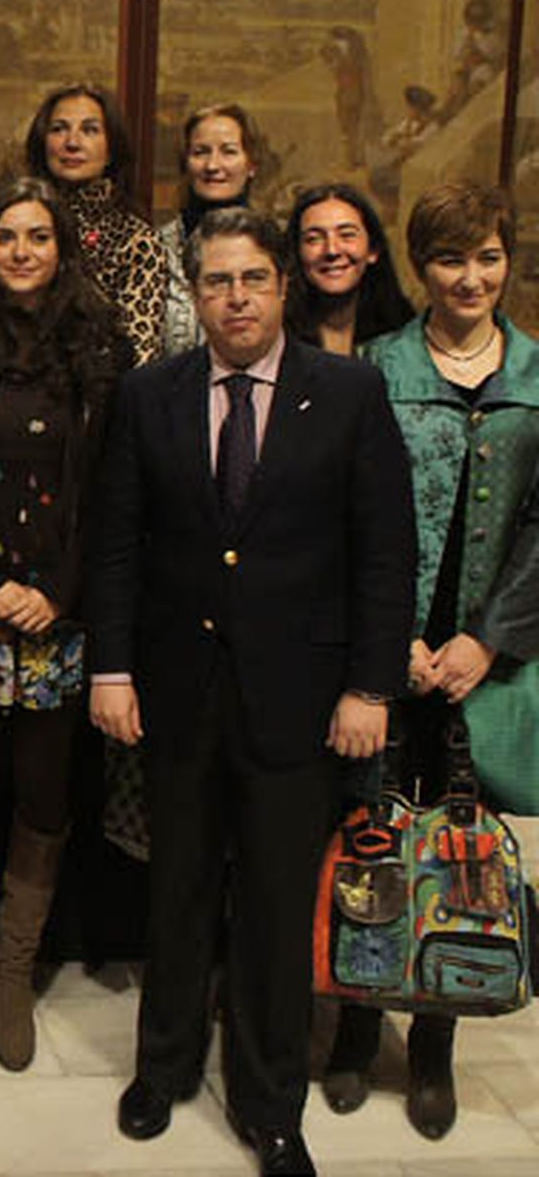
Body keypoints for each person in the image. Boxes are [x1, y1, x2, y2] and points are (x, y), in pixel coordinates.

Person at [85, 207, 415, 1176]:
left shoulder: (347, 393)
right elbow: (114, 544)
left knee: (273, 906)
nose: (234, 297)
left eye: (252, 280)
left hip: (303, 699)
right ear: (195, 295)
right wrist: (110, 667)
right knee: (177, 890)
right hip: (177, 693)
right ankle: (164, 1067)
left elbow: (384, 554)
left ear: (283, 288)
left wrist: (369, 685)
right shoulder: (151, 393)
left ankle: (270, 1101)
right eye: (216, 281)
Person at [323, 182, 539, 1140]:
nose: (471, 278)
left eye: (488, 257)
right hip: (389, 649)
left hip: (487, 657)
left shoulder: (537, 373)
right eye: (452, 260)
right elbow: (351, 515)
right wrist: (392, 639)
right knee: (373, 829)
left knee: (465, 853)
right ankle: (356, 1027)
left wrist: (486, 639)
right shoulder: (377, 367)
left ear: (509, 260)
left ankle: (441, 1035)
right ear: (421, 267)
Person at [0, 177, 128, 1072]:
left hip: (60, 608)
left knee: (46, 790)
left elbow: (113, 492)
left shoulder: (102, 346)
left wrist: (55, 586)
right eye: (5, 236)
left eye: (37, 237)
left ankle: (18, 968)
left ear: (61, 248)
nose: (20, 251)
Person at [25, 83, 167, 366]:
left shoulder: (136, 240)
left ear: (111, 149)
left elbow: (140, 355)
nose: (72, 142)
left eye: (89, 130)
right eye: (59, 129)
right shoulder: (15, 225)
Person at [157, 104, 261, 361]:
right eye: (201, 152)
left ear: (251, 165)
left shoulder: (275, 247)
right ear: (186, 164)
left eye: (228, 151)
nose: (213, 165)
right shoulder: (156, 248)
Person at [284, 182, 416, 358]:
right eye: (314, 239)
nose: (332, 250)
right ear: (297, 252)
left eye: (347, 235)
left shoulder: (406, 336)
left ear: (373, 250)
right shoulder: (274, 338)